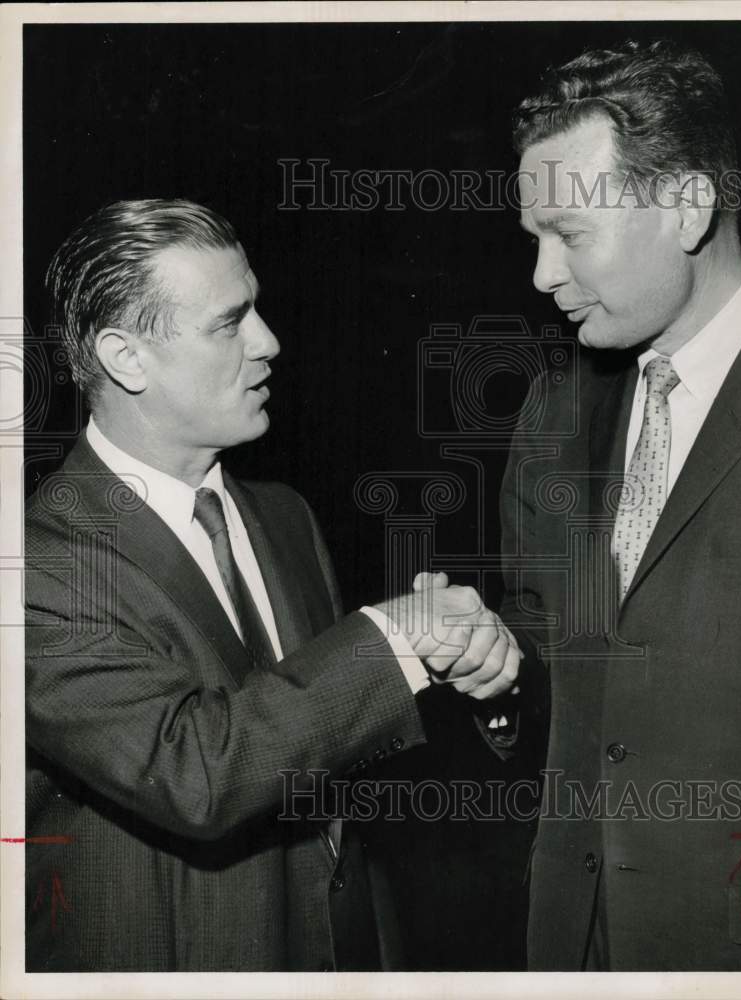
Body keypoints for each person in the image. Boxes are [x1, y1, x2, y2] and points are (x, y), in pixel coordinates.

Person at [25, 199, 521, 972]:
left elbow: (328, 736)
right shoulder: (41, 562)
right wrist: (393, 638)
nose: (268, 342)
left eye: (255, 307)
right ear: (125, 358)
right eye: (230, 323)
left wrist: (465, 669)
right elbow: (196, 772)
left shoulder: (282, 516)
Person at [500, 40, 741, 971]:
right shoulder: (553, 411)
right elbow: (554, 667)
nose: (542, 274)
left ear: (688, 205)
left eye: (570, 234)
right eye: (535, 237)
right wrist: (495, 670)